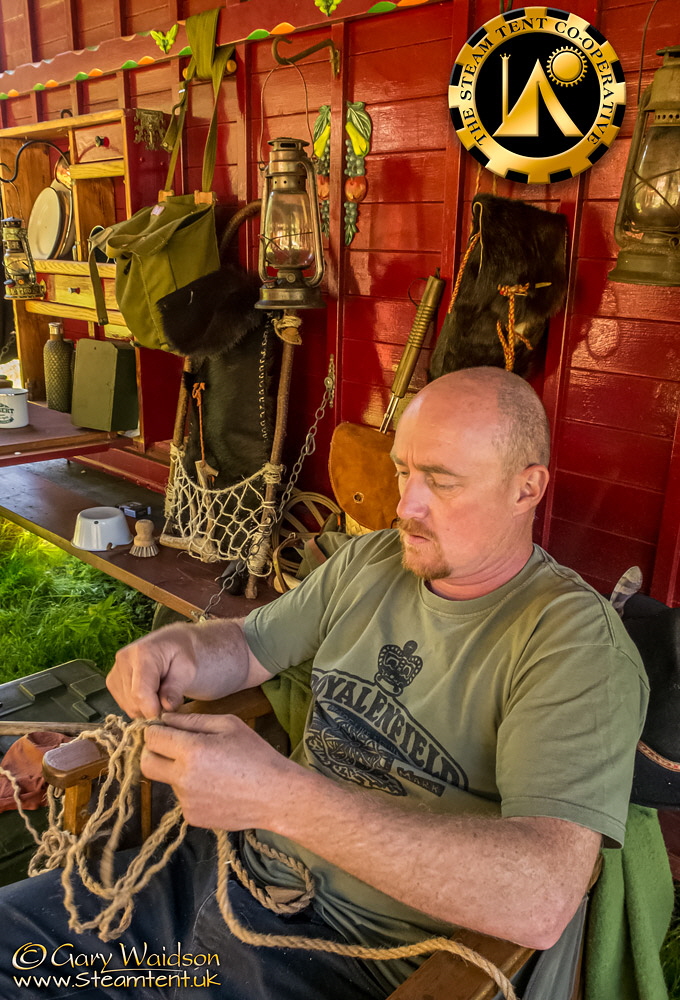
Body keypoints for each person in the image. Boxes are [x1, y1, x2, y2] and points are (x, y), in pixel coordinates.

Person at [0, 367, 647, 1000]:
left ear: (525, 488)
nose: (405, 506)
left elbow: (539, 896)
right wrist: (180, 649)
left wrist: (280, 798)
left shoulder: (570, 643)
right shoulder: (370, 562)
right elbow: (250, 647)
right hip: (214, 876)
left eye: (441, 482)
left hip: (356, 958)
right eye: (403, 471)